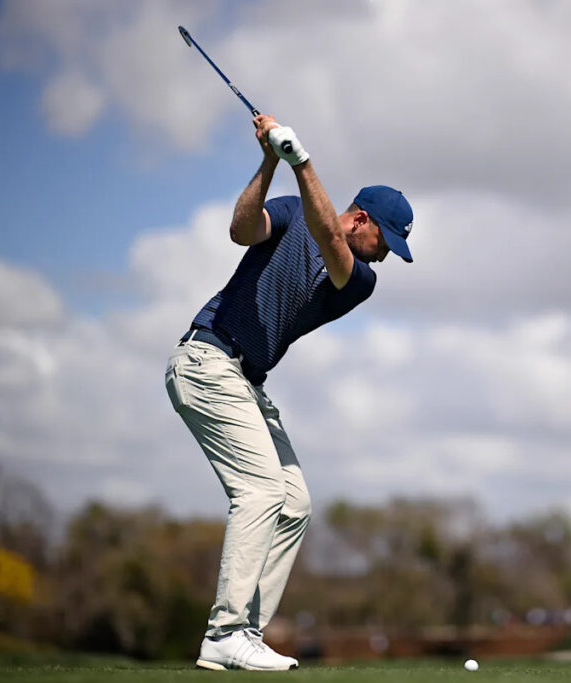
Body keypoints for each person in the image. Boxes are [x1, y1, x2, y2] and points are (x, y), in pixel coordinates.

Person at [164, 114, 414, 671]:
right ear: (363, 219)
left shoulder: (360, 279)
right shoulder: (292, 210)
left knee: (294, 502)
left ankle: (242, 633)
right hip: (208, 361)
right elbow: (240, 230)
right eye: (385, 241)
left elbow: (329, 240)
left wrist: (302, 162)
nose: (384, 255)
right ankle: (226, 630)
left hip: (245, 380)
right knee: (260, 492)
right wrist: (271, 162)